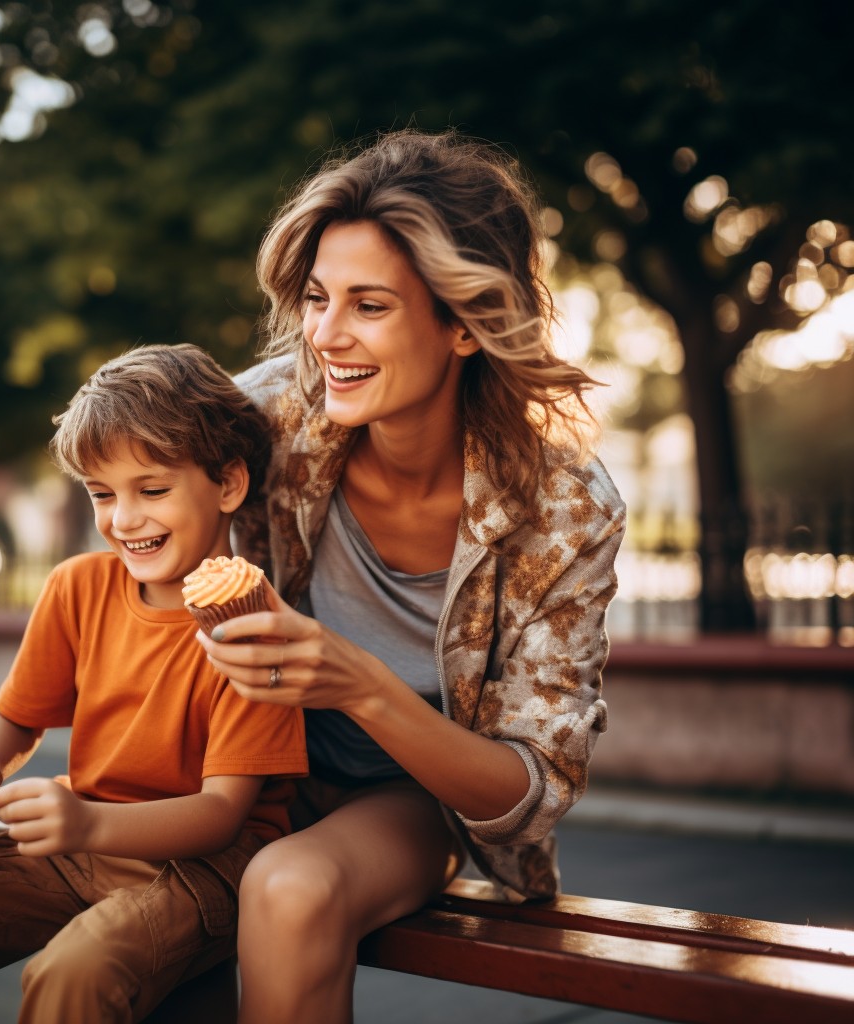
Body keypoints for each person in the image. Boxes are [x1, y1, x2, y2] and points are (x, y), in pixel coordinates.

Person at [194, 128, 627, 1023]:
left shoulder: (566, 507)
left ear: (464, 323)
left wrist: (359, 686)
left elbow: (529, 791)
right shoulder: (265, 415)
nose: (324, 334)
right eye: (317, 299)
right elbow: (133, 500)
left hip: (410, 795)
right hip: (241, 764)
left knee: (290, 889)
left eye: (369, 306)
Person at [0, 344, 308, 1024]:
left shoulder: (257, 623)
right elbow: (16, 717)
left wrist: (87, 820)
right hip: (76, 848)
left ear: (227, 485)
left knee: (75, 974)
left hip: (202, 868)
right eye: (101, 493)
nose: (123, 519)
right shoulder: (77, 586)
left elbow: (222, 812)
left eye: (152, 489)